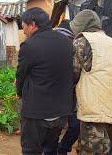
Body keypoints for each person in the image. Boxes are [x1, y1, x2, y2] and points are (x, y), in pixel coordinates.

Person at [16, 7, 74, 155]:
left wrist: (19, 92)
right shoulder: (66, 42)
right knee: (51, 148)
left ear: (33, 25)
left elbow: (21, 75)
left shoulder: (29, 46)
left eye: (24, 27)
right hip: (61, 112)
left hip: (37, 113)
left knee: (31, 151)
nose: (24, 32)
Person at [71, 9, 112, 154]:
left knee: (92, 150)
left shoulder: (82, 42)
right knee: (104, 148)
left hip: (94, 109)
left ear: (81, 26)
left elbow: (72, 74)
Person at [43, 20, 81, 155]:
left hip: (72, 96)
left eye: (69, 39)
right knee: (53, 132)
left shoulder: (77, 50)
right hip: (54, 98)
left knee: (76, 125)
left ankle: (63, 148)